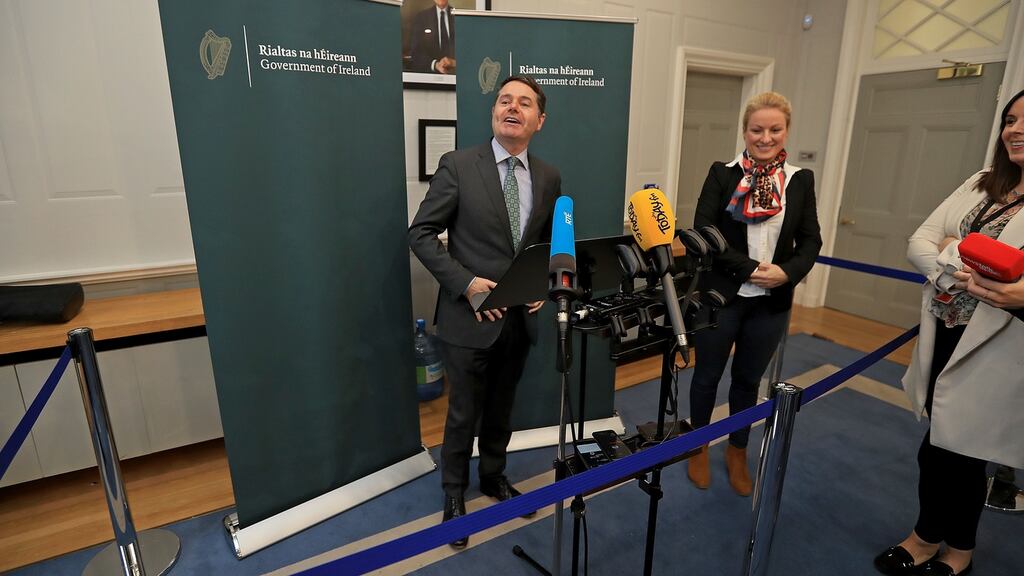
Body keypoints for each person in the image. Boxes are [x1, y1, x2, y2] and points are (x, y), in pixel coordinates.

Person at [874, 88, 1024, 576]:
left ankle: (956, 549)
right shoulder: (982, 181)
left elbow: (1014, 289)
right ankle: (926, 536)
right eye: (1010, 119)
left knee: (965, 453)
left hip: (1001, 344)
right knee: (938, 446)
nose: (1015, 129)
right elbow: (919, 240)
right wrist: (958, 262)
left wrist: (957, 248)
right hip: (947, 327)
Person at [408, 75, 560, 549]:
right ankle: (453, 494)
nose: (511, 108)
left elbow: (543, 243)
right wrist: (467, 285)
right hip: (468, 320)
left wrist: (541, 284)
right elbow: (420, 234)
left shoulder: (550, 176)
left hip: (518, 321)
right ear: (494, 112)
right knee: (462, 414)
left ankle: (493, 477)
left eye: (524, 103)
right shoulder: (458, 165)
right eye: (503, 101)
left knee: (501, 409)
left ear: (540, 119)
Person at [687, 91, 822, 496]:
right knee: (707, 376)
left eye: (774, 130)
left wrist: (786, 273)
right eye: (756, 129)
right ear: (744, 131)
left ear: (787, 131)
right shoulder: (722, 174)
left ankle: (737, 451)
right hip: (722, 296)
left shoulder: (800, 179)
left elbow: (811, 239)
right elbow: (702, 232)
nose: (765, 138)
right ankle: (697, 445)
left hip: (771, 303)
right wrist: (749, 269)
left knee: (747, 381)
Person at [408, 0, 456, 74]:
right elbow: (415, 52)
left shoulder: (459, 17)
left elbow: (469, 51)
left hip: (458, 78)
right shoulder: (421, 18)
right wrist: (436, 65)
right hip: (428, 78)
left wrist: (454, 63)